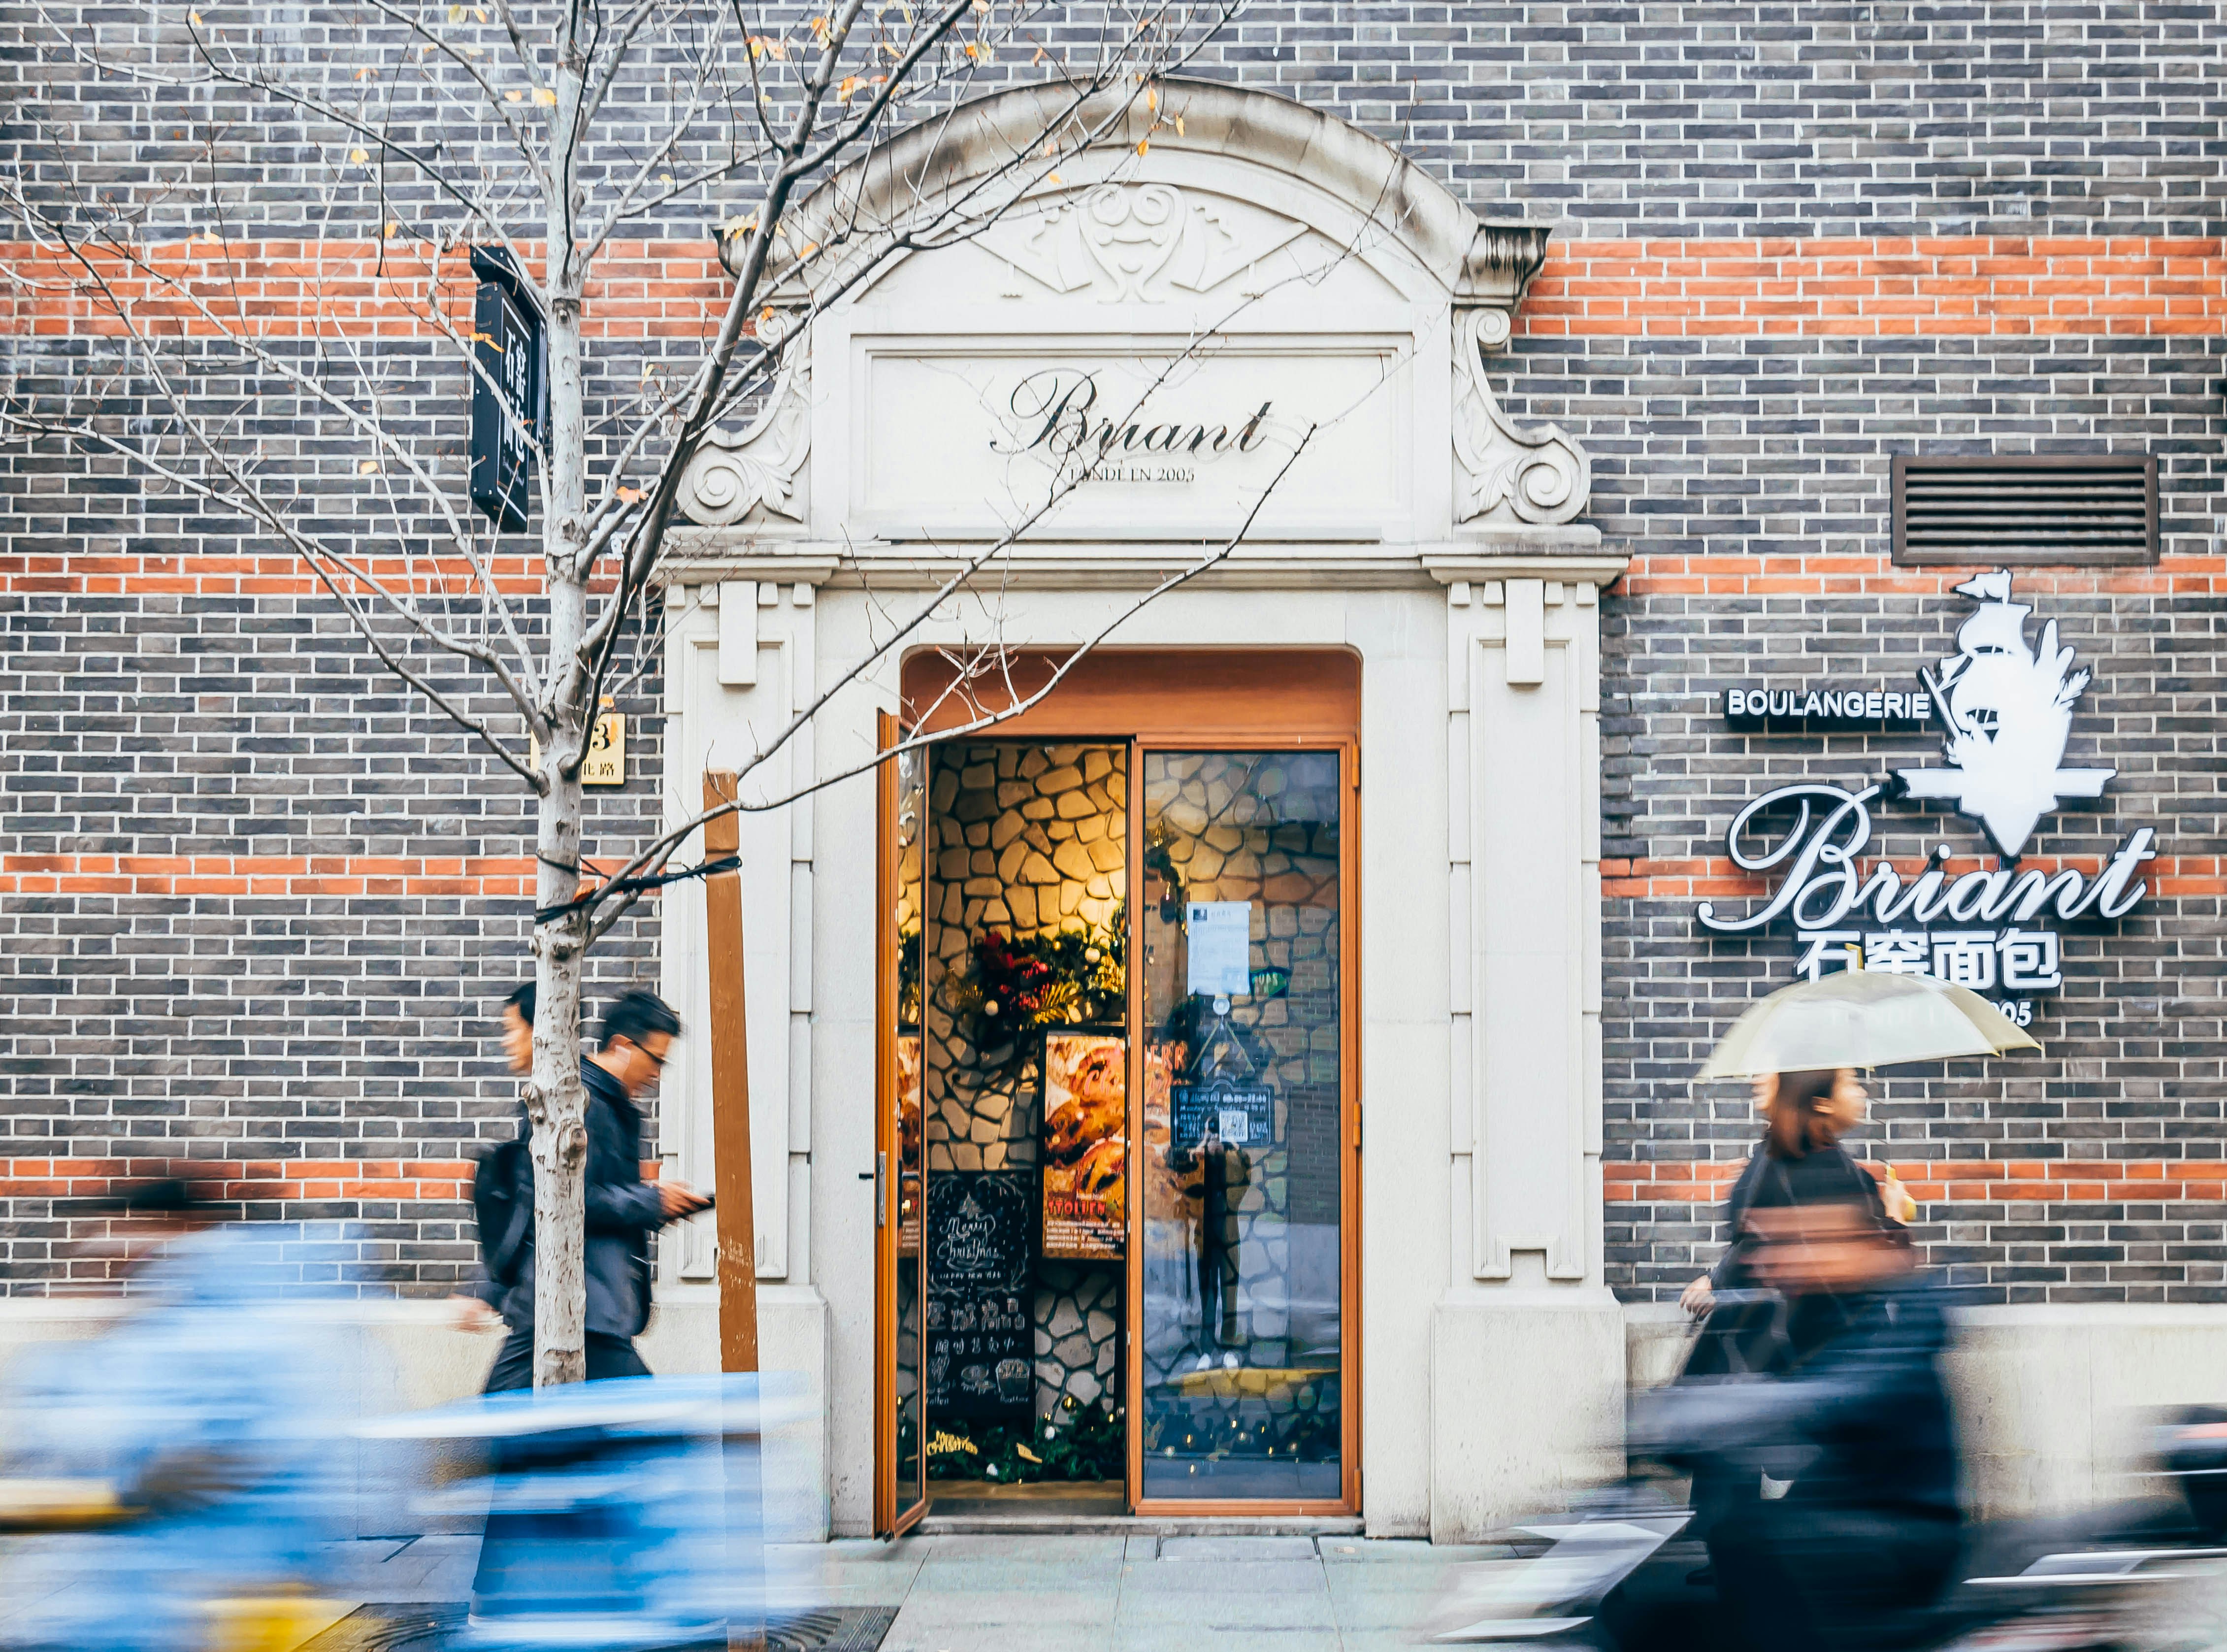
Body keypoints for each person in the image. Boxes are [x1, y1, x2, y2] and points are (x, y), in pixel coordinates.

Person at [1637, 1175, 1962, 1652]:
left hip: (1896, 1543)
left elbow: (1841, 1394)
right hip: (1842, 1517)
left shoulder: (1896, 1320)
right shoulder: (1832, 1310)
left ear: (1848, 1243)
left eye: (1801, 1241)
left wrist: (1718, 1415)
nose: (1778, 1261)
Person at [479, 987, 712, 1391]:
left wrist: (657, 1204)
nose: (657, 1073)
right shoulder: (581, 1104)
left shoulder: (612, 1106)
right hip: (573, 1306)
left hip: (587, 1307)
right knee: (646, 1432)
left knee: (516, 1427)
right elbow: (564, 1198)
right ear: (623, 1046)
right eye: (655, 1059)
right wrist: (653, 1200)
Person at [1681, 1067, 1885, 1319]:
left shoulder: (1788, 1162)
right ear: (1823, 1103)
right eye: (1851, 1083)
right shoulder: (1827, 1171)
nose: (1861, 1092)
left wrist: (1718, 1282)